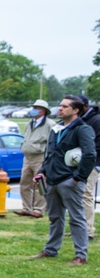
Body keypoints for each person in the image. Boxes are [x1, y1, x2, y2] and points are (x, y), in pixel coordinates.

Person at [31, 95, 97, 265]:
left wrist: (78, 178)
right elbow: (50, 154)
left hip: (69, 181)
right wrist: (42, 172)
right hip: (52, 180)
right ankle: (51, 250)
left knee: (76, 218)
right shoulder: (57, 128)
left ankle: (81, 255)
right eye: (60, 106)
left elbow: (90, 155)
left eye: (65, 106)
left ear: (76, 110)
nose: (60, 109)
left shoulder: (82, 129)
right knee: (55, 217)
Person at [15, 99, 54, 218]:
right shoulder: (29, 123)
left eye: (37, 108)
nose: (33, 110)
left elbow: (51, 142)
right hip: (27, 157)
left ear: (43, 111)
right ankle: (26, 208)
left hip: (40, 157)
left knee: (40, 184)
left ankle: (39, 209)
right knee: (24, 183)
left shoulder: (50, 124)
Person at [75, 95, 100, 240]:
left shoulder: (96, 120)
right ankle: (78, 228)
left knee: (86, 195)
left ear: (84, 106)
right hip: (76, 162)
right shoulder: (80, 120)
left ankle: (88, 230)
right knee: (76, 196)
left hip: (91, 163)